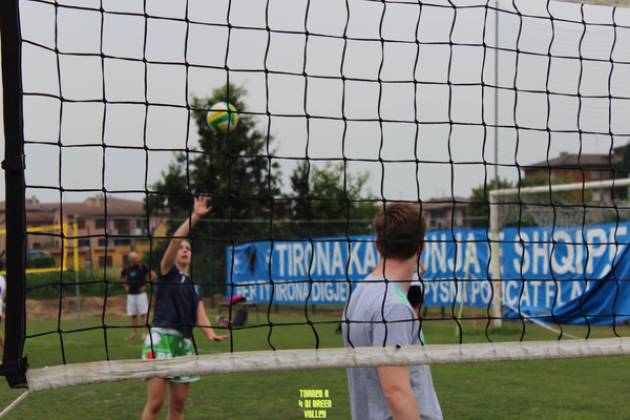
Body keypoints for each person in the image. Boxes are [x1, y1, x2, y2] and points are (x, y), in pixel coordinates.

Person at [342, 203, 442, 420]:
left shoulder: (361, 290)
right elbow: (395, 392)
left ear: (377, 245)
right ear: (422, 247)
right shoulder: (393, 307)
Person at [142, 196, 226, 420]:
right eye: (181, 248)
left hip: (185, 343)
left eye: (188, 248)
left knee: (178, 406)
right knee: (156, 403)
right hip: (160, 338)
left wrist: (210, 333)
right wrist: (196, 215)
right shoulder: (166, 272)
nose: (184, 250)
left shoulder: (195, 286)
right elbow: (174, 239)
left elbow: (200, 314)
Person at [119, 251, 152, 340]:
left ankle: (145, 333)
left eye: (137, 258)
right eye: (134, 258)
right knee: (133, 315)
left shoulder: (142, 267)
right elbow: (120, 278)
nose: (136, 259)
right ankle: (133, 333)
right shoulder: (126, 269)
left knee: (143, 314)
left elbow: (152, 276)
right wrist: (126, 286)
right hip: (131, 295)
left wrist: (145, 286)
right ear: (130, 260)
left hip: (141, 295)